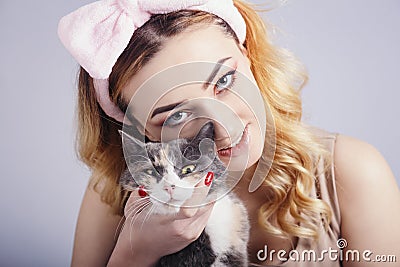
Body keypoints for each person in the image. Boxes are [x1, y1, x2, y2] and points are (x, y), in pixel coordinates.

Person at [58, 0, 400, 266]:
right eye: (177, 115)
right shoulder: (113, 191)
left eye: (224, 81)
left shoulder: (351, 173)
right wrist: (134, 254)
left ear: (249, 56)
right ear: (140, 130)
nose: (222, 127)